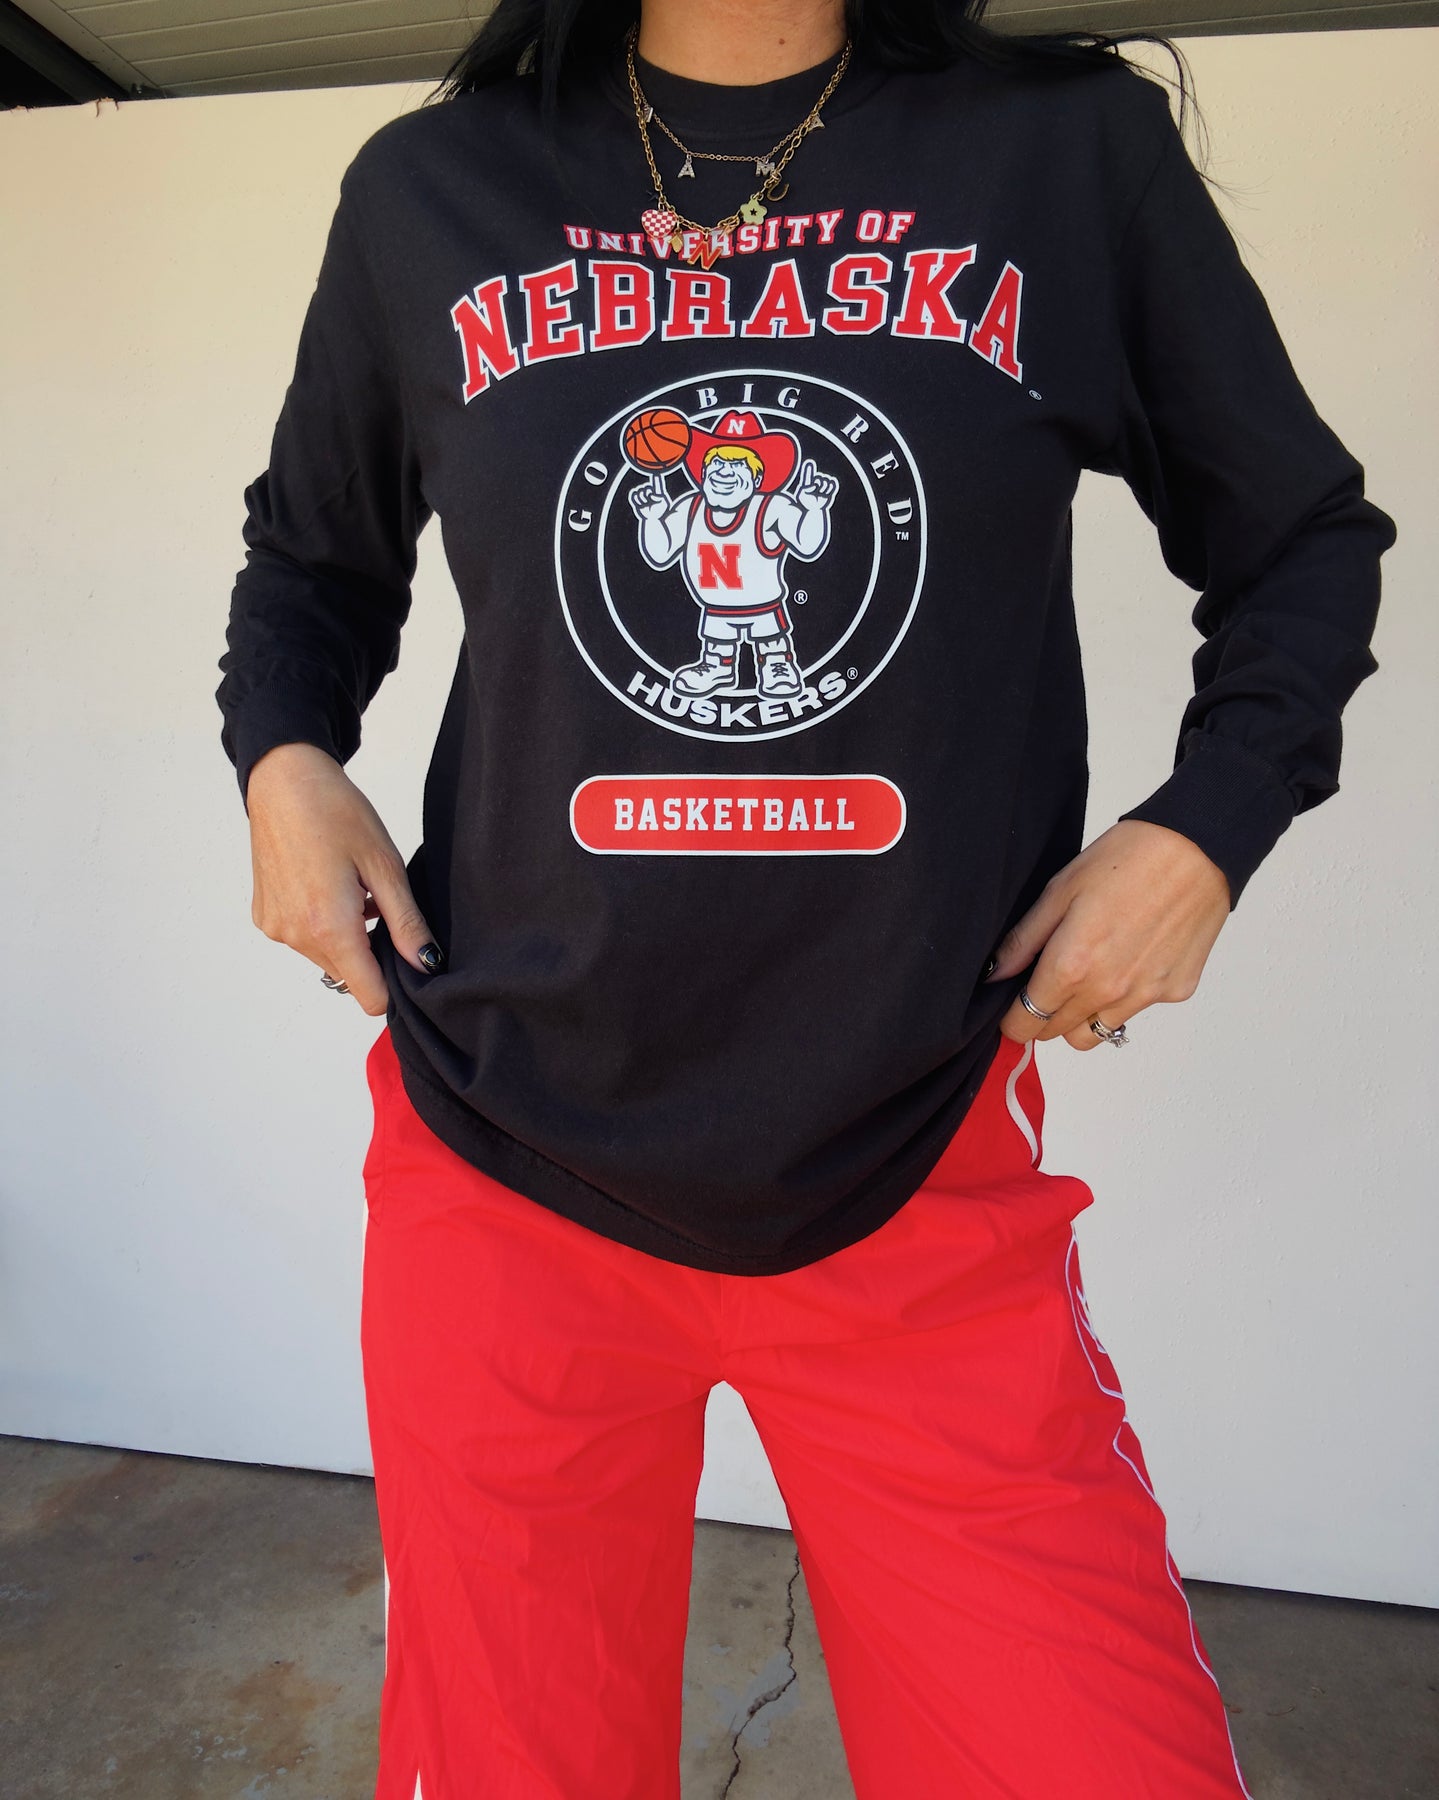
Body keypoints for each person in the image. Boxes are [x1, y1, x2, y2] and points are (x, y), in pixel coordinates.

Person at [215, 1, 1398, 1794]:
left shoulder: (1062, 154)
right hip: (502, 1147)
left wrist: (1207, 829)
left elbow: (1299, 536)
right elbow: (310, 563)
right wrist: (284, 759)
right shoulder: (431, 188)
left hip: (912, 1142)